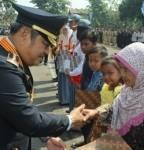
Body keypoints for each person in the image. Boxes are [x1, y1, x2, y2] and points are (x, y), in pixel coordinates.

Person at [0, 3, 90, 150]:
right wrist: (70, 120)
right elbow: (28, 120)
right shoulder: (4, 66)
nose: (48, 51)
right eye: (45, 44)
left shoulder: (12, 59)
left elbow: (18, 110)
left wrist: (46, 136)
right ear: (25, 34)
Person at [84, 42, 144, 150]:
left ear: (143, 68)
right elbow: (114, 109)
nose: (122, 74)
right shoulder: (127, 91)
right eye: (121, 69)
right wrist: (96, 112)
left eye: (126, 70)